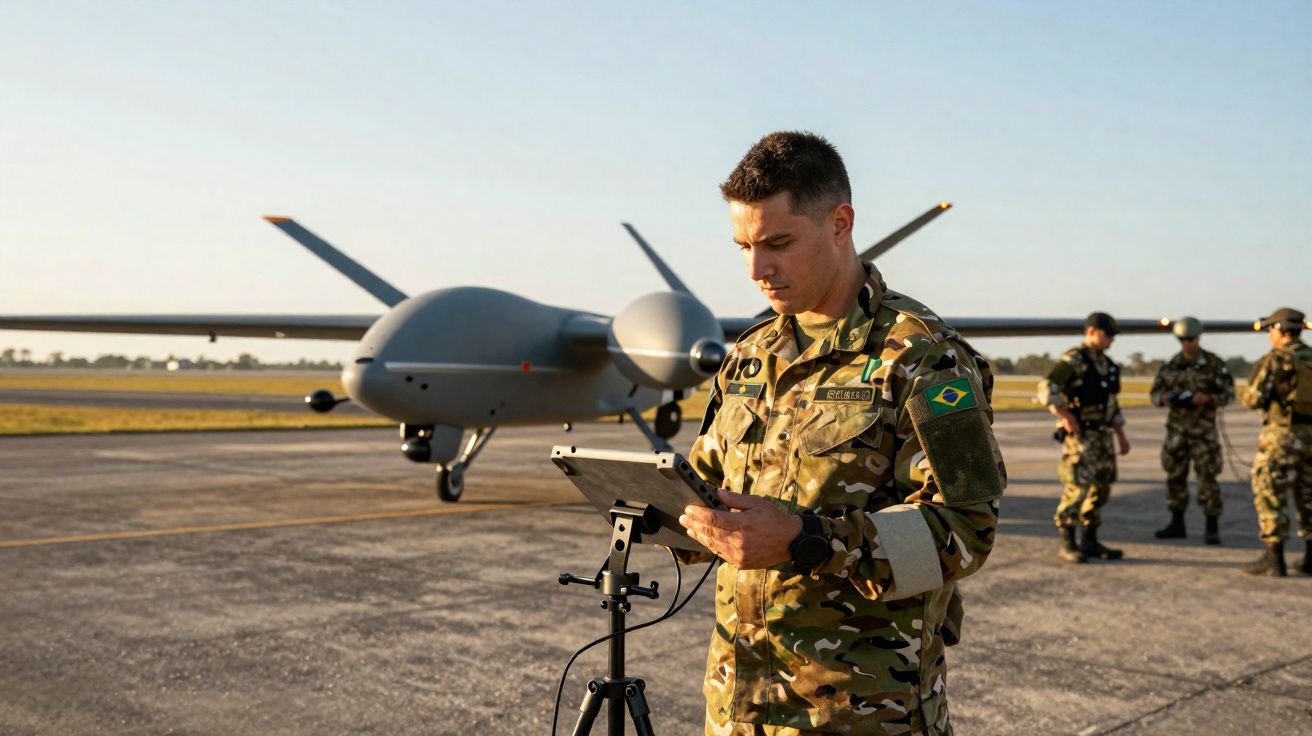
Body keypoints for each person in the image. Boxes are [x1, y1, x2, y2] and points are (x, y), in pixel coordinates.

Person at [677, 131, 1006, 736]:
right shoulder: (750, 354)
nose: (756, 269)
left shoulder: (925, 358)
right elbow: (710, 486)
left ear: (840, 223)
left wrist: (808, 540)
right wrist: (672, 512)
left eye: (778, 242)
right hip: (738, 706)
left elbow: (965, 530)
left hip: (861, 713)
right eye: (744, 246)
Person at [1038, 313, 1131, 564]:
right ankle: (1068, 541)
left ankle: (1090, 540)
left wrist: (1121, 434)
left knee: (1102, 486)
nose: (1111, 339)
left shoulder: (1107, 364)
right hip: (1081, 436)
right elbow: (1047, 387)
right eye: (1107, 334)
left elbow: (1111, 402)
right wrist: (1064, 415)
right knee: (1077, 486)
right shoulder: (1073, 360)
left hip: (1103, 435)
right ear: (1091, 331)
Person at [1148, 317, 1236, 544]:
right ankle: (1177, 523)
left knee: (1208, 478)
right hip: (1177, 432)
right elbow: (1155, 394)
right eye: (1183, 340)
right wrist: (1166, 399)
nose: (1187, 343)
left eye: (1191, 339)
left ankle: (1212, 527)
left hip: (1203, 432)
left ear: (1198, 338)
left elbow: (1229, 393)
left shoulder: (1214, 364)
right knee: (1175, 477)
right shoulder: (1171, 365)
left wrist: (1208, 398)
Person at [1239, 307, 1312, 576]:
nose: (1270, 335)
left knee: (1270, 492)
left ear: (1281, 331)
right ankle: (1310, 557)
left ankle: (1274, 557)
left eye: (1271, 329)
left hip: (1282, 435)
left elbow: (1252, 398)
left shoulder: (1275, 360)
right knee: (1309, 495)